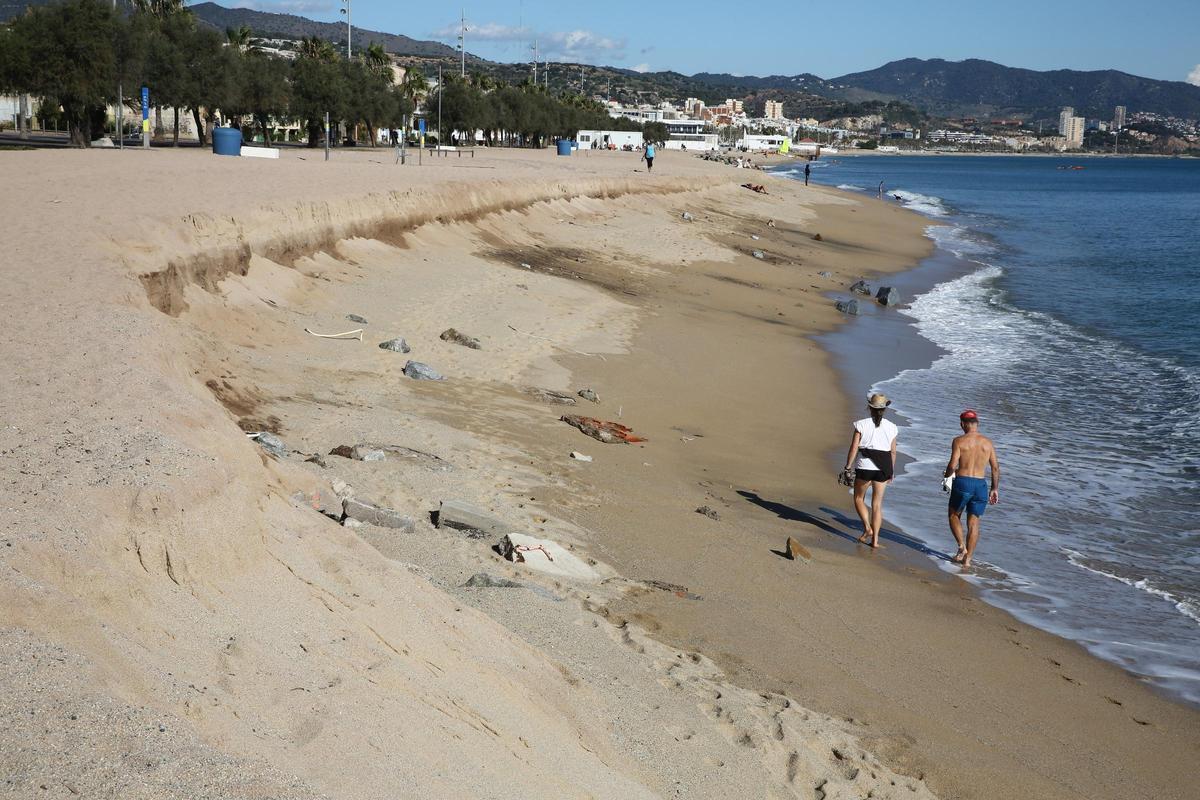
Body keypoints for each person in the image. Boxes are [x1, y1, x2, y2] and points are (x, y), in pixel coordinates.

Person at [943, 409, 1000, 568]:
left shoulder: (959, 441)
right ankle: (968, 560)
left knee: (954, 515)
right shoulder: (988, 443)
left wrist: (947, 477)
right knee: (974, 523)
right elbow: (995, 468)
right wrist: (994, 488)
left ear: (962, 424)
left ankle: (961, 547)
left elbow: (952, 465)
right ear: (977, 423)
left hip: (962, 482)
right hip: (980, 485)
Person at [841, 393, 898, 548]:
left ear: (869, 407)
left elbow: (854, 447)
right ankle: (876, 541)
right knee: (877, 505)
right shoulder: (892, 427)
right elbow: (893, 452)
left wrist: (847, 467)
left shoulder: (861, 424)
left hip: (865, 466)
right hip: (884, 468)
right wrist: (891, 471)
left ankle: (867, 528)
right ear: (885, 409)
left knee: (859, 498)